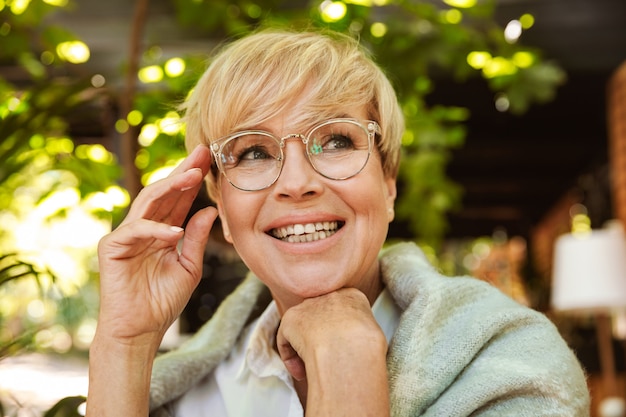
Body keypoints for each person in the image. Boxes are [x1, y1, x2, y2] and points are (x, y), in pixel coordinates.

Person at [86, 29, 590, 417]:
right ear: (221, 205)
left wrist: (348, 364)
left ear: (388, 183)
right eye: (254, 152)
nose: (297, 182)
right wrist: (124, 344)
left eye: (337, 141)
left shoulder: (513, 361)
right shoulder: (189, 393)